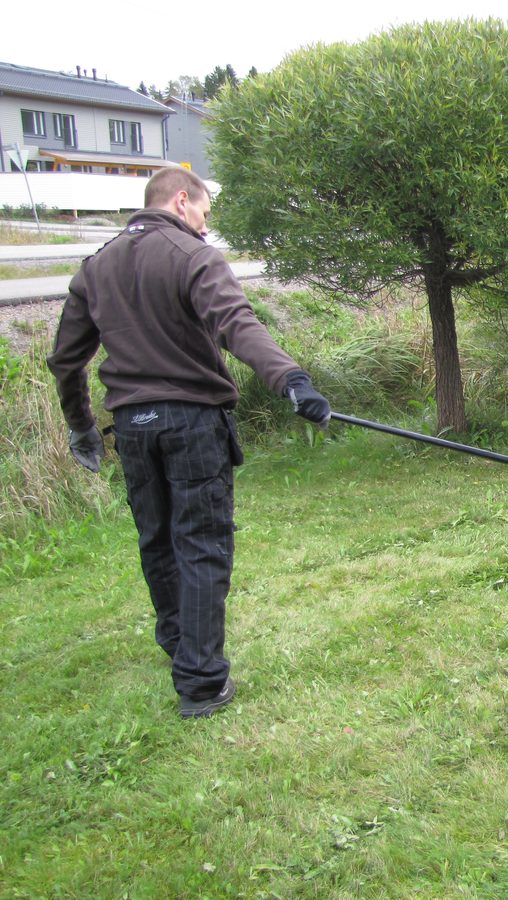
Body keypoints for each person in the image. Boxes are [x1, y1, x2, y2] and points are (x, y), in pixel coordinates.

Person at [47, 166, 331, 718]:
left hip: (132, 428)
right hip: (192, 424)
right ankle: (200, 684)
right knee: (200, 544)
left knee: (158, 541)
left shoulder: (95, 265)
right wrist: (291, 380)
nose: (205, 226)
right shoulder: (193, 255)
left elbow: (65, 359)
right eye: (203, 213)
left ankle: (182, 650)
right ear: (181, 201)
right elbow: (237, 323)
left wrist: (81, 424)